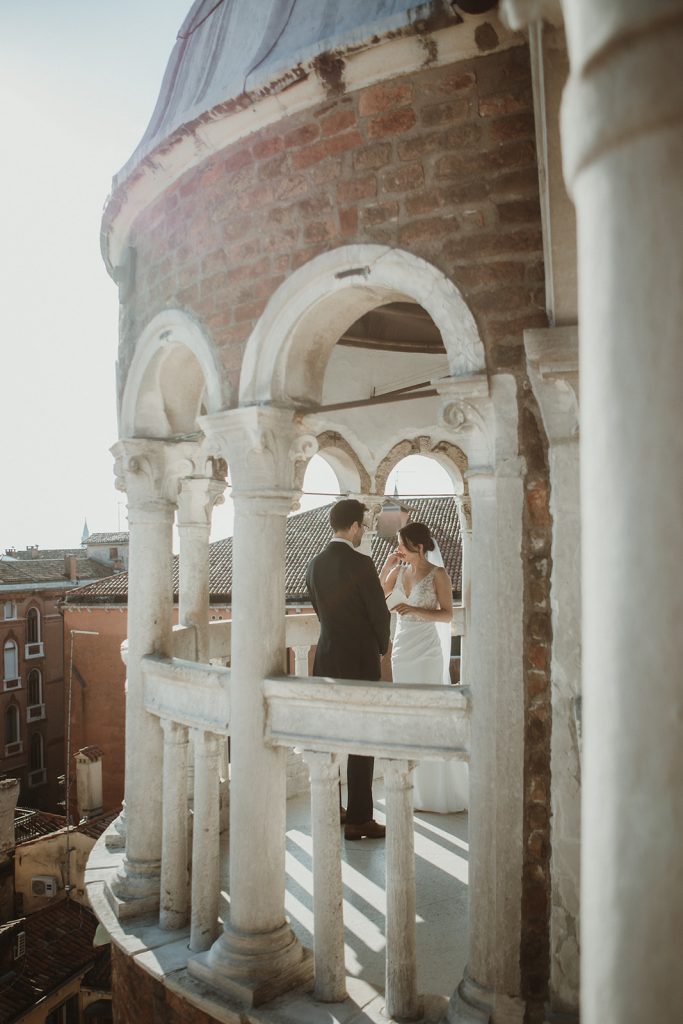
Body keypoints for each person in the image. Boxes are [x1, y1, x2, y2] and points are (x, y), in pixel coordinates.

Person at [306, 498, 391, 840]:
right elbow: (379, 613)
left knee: (328, 734)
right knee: (361, 736)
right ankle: (359, 818)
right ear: (354, 526)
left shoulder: (314, 564)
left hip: (326, 658)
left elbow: (318, 608)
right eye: (364, 526)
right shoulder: (361, 563)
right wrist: (381, 647)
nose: (364, 532)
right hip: (358, 660)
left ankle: (332, 806)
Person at [380, 521, 468, 813]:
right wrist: (389, 564)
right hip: (403, 647)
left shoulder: (438, 574)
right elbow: (381, 592)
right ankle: (411, 788)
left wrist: (415, 610)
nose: (399, 549)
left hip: (427, 649)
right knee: (408, 714)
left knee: (430, 712)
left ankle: (436, 790)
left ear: (418, 546)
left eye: (402, 544)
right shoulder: (401, 570)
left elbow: (446, 616)